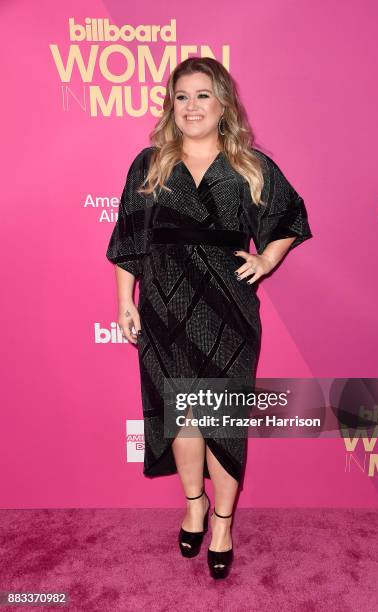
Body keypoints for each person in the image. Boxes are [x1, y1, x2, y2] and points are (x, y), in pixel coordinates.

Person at [106, 57, 312, 579]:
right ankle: (193, 504)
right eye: (181, 96)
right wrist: (125, 300)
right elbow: (129, 239)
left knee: (221, 418)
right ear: (170, 105)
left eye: (202, 95)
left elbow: (290, 217)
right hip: (165, 309)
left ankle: (222, 522)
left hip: (227, 310)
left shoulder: (249, 165)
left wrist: (267, 258)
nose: (191, 106)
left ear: (223, 104)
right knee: (183, 419)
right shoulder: (149, 164)